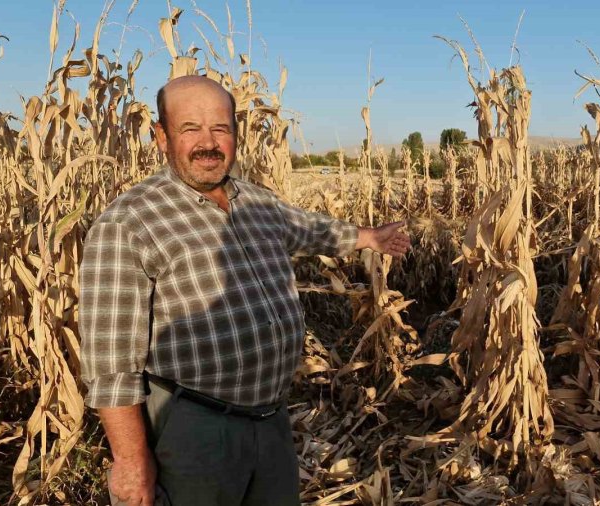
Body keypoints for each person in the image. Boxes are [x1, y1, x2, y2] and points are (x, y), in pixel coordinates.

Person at [79, 75, 410, 506]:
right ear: (161, 137)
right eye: (190, 128)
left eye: (221, 128)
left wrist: (368, 237)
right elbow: (111, 364)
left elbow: (309, 229)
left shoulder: (256, 202)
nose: (208, 142)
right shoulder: (129, 222)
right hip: (195, 429)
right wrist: (130, 461)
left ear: (236, 135)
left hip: (270, 418)